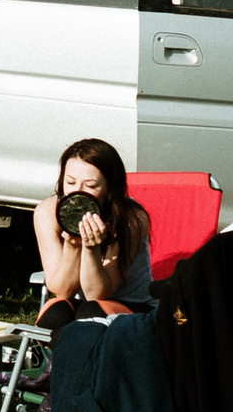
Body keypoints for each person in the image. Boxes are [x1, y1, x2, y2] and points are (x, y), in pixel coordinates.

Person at [32, 137, 154, 328]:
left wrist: (90, 248)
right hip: (83, 305)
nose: (77, 192)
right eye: (70, 182)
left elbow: (96, 294)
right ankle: (61, 358)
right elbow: (62, 291)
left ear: (110, 190)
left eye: (90, 186)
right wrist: (72, 245)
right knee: (55, 314)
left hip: (134, 307)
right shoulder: (47, 212)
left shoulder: (131, 219)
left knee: (91, 314)